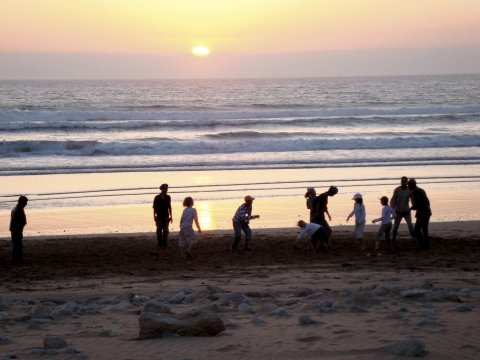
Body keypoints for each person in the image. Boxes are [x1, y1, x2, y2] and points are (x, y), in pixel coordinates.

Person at [408, 178, 432, 250]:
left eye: (409, 185)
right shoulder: (421, 190)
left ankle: (422, 245)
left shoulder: (416, 192)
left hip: (422, 212)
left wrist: (411, 208)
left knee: (417, 230)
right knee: (424, 229)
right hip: (427, 211)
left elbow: (418, 203)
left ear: (412, 185)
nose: (408, 186)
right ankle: (427, 245)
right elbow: (427, 201)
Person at [390, 176, 415, 243]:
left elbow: (412, 199)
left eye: (404, 181)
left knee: (410, 225)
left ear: (406, 182)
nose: (403, 183)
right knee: (395, 227)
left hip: (406, 211)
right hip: (398, 211)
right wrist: (392, 209)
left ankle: (414, 238)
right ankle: (393, 239)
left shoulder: (409, 190)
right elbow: (393, 200)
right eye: (402, 181)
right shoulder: (397, 190)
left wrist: (414, 206)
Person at [10, 195, 28, 265]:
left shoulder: (16, 209)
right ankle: (18, 260)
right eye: (25, 202)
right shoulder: (18, 210)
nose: (26, 204)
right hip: (16, 230)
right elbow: (18, 222)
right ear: (21, 202)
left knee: (17, 245)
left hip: (14, 230)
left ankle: (16, 259)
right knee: (18, 245)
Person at [152, 183, 172, 248]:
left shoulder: (168, 197)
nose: (166, 190)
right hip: (159, 216)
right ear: (162, 189)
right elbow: (154, 207)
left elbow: (169, 207)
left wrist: (171, 216)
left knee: (166, 230)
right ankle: (160, 242)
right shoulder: (157, 197)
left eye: (167, 188)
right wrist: (154, 216)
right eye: (165, 188)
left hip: (166, 215)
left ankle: (165, 242)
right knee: (159, 230)